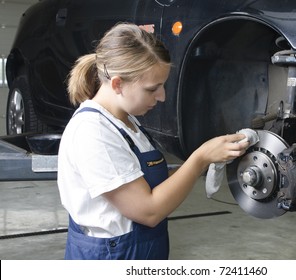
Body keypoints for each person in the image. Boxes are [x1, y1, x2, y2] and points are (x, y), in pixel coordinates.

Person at [57, 22, 249, 260]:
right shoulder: (93, 133)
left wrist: (211, 158)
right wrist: (200, 158)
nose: (162, 96)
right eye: (152, 89)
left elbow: (149, 184)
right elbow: (148, 211)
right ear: (118, 84)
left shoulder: (126, 121)